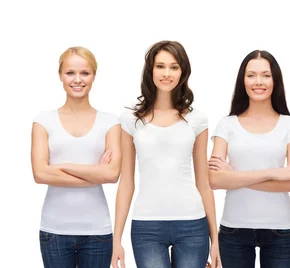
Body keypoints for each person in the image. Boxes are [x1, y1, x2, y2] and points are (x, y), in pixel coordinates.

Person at [111, 40, 220, 268]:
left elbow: (204, 182)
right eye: (160, 66)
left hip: (192, 224)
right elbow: (126, 182)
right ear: (150, 70)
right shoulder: (130, 119)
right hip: (146, 226)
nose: (166, 73)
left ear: (183, 72)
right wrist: (116, 238)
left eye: (174, 67)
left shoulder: (197, 119)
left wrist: (215, 239)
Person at [208, 50, 290, 268]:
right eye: (251, 75)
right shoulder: (227, 124)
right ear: (242, 80)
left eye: (265, 75)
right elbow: (215, 180)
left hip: (280, 231)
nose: (258, 82)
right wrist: (273, 173)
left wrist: (235, 176)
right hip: (234, 230)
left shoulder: (289, 124)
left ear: (275, 80)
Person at [31, 46, 121, 267]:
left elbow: (111, 174)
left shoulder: (110, 122)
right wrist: (94, 173)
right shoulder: (43, 120)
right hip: (54, 231)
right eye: (70, 73)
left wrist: (61, 167)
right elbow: (40, 174)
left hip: (97, 231)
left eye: (85, 73)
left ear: (94, 76)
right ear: (60, 76)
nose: (77, 79)